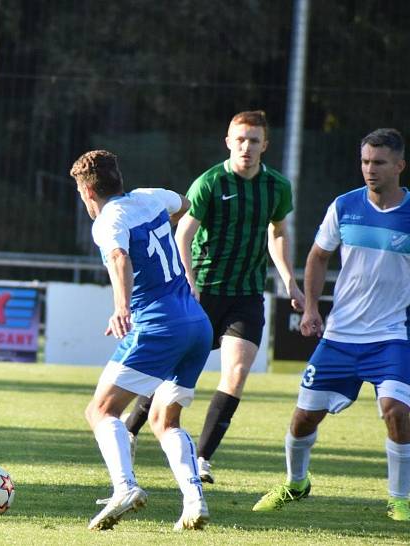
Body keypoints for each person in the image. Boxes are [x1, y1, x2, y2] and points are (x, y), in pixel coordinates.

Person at [122, 110, 305, 483]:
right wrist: (188, 278)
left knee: (236, 373)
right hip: (203, 290)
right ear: (228, 141)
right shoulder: (209, 182)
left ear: (265, 145)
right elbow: (183, 234)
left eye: (254, 140)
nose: (247, 147)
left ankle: (202, 457)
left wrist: (289, 278)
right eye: (240, 139)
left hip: (247, 294)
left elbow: (279, 231)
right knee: (170, 368)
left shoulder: (277, 187)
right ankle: (129, 429)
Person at [252, 128, 410, 522]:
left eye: (378, 163)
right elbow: (319, 256)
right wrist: (311, 311)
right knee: (304, 416)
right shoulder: (344, 206)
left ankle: (400, 497)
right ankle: (296, 483)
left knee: (396, 411)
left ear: (399, 166)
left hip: (391, 335)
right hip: (340, 336)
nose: (369, 170)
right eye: (365, 161)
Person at [70, 150, 212, 531]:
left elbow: (118, 257)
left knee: (100, 412)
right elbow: (184, 204)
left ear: (87, 192)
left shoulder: (106, 220)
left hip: (159, 324)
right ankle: (194, 500)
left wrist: (121, 307)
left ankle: (124, 487)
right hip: (197, 323)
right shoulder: (150, 198)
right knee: (164, 419)